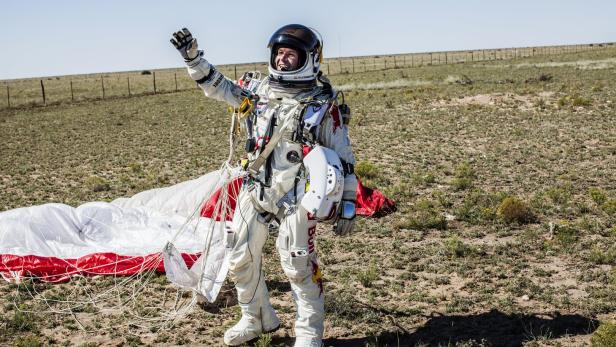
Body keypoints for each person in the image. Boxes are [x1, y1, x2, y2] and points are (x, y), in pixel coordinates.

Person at [171, 24, 357, 347]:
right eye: (280, 54)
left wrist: (349, 204)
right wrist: (193, 59)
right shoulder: (256, 91)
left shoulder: (322, 106)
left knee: (297, 261)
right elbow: (218, 86)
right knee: (239, 253)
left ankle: (309, 333)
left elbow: (344, 156)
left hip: (296, 195)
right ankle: (256, 317)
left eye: (291, 55)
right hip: (256, 187)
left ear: (309, 60)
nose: (283, 60)